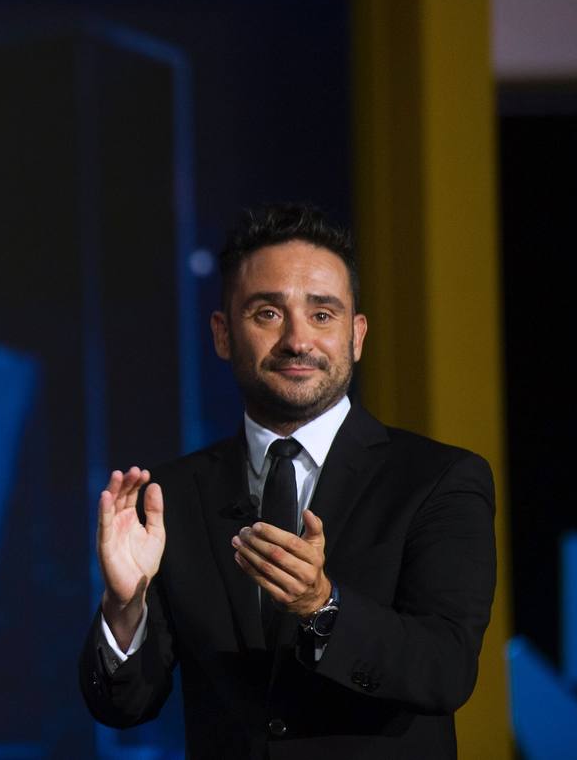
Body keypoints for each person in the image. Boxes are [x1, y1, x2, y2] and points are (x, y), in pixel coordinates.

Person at [79, 204, 496, 759]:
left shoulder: (438, 479)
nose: (297, 340)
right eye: (268, 314)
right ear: (223, 334)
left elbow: (445, 672)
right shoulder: (172, 496)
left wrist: (323, 607)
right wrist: (124, 606)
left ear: (357, 335)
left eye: (323, 315)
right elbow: (123, 707)